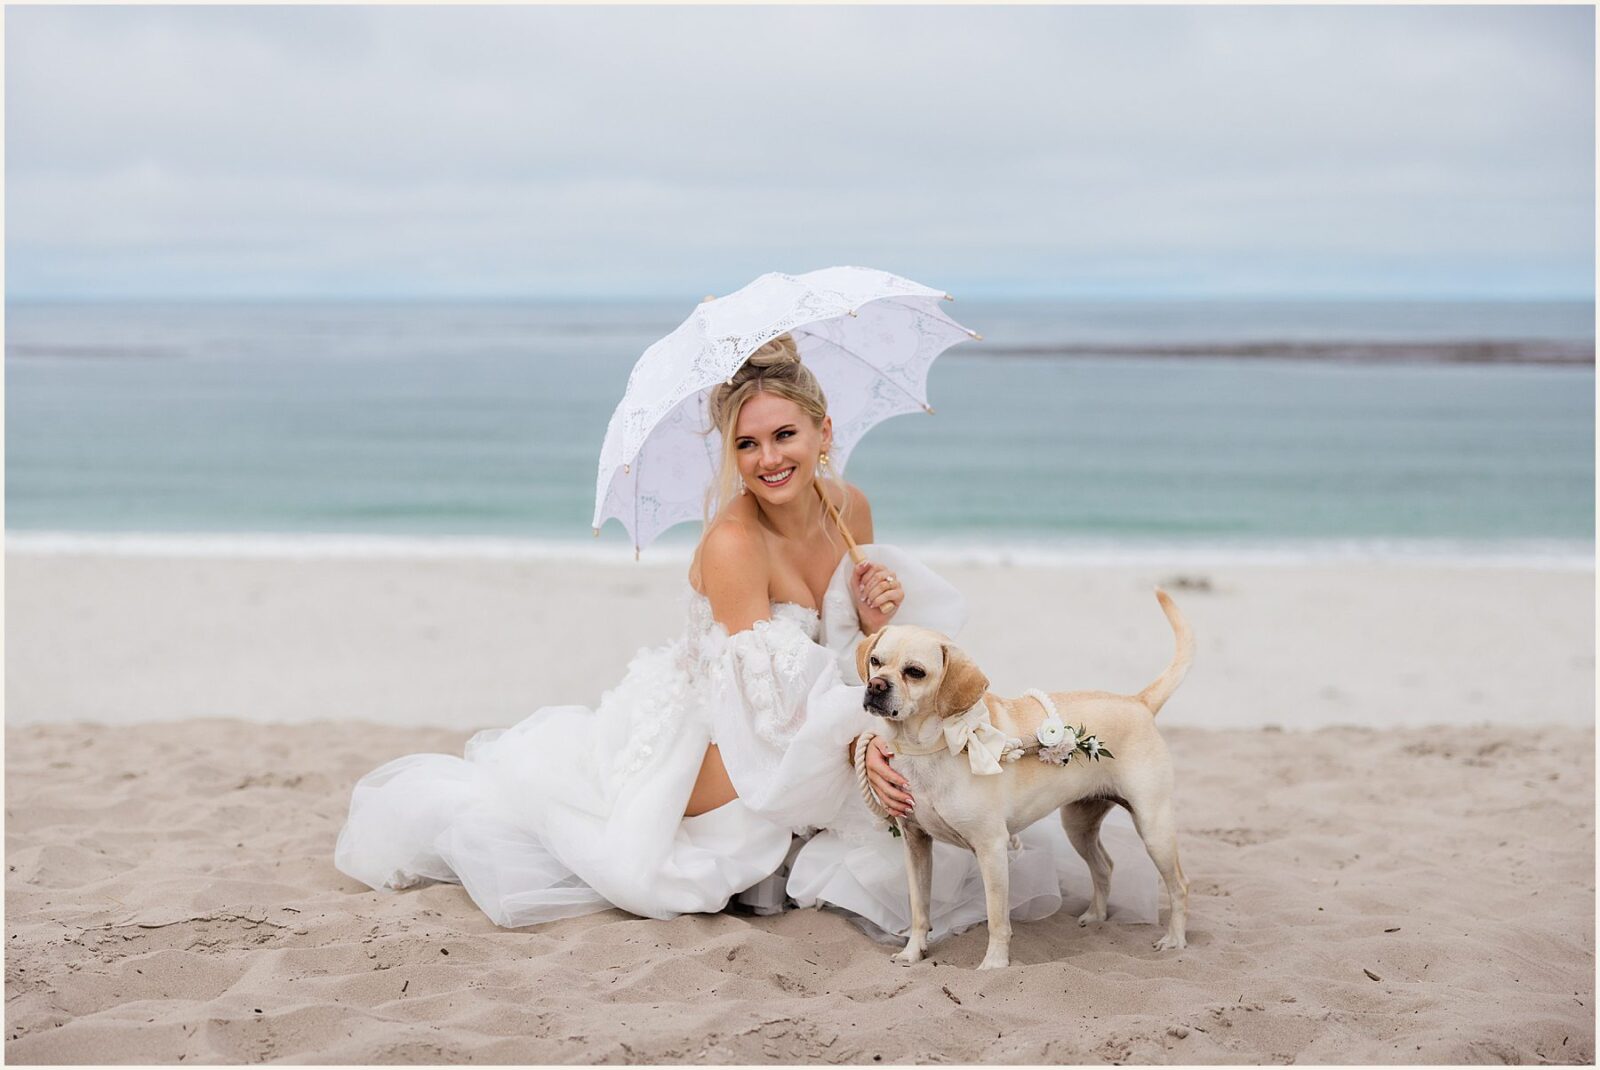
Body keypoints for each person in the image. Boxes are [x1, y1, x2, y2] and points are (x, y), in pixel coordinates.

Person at [335, 336, 1159, 937]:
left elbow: (858, 658)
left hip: (818, 703)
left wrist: (877, 621)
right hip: (728, 716)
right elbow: (768, 697)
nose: (769, 459)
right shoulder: (731, 544)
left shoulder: (852, 509)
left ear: (823, 431)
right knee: (689, 857)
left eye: (785, 435)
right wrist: (858, 746)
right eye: (748, 444)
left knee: (933, 802)